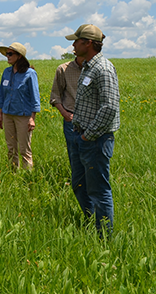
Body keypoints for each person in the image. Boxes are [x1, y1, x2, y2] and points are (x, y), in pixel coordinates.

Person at [66, 24, 120, 238]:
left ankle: (104, 238)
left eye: (77, 41)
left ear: (88, 43)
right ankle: (91, 223)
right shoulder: (88, 67)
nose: (73, 45)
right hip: (81, 136)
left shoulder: (103, 69)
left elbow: (110, 107)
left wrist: (89, 134)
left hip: (95, 140)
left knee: (99, 191)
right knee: (79, 184)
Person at [50, 45, 87, 214]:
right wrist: (64, 113)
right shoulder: (63, 69)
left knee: (92, 161)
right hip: (71, 119)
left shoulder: (96, 69)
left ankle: (95, 209)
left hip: (91, 120)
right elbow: (55, 96)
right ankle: (86, 210)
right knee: (76, 160)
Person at [0, 42, 40, 171]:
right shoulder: (6, 72)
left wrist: (32, 118)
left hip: (23, 116)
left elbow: (35, 97)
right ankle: (13, 174)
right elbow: (2, 94)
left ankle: (28, 177)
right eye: (6, 54)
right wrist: (1, 114)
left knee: (24, 149)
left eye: (10, 54)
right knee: (11, 148)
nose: (7, 56)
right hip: (8, 114)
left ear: (19, 56)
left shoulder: (30, 74)